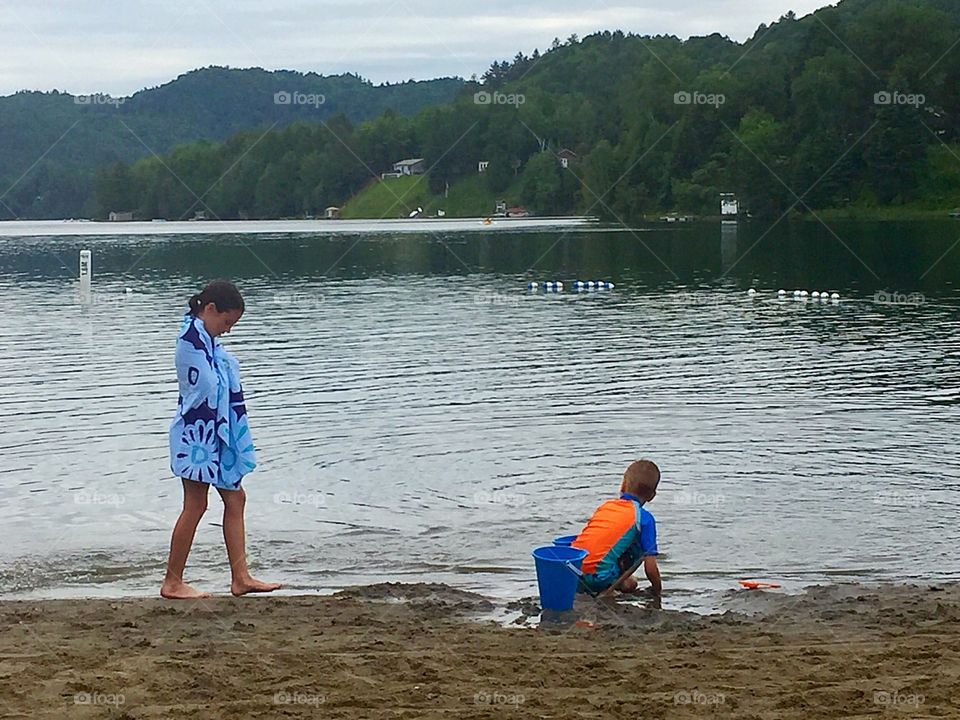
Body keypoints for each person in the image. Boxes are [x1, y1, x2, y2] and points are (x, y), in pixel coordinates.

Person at [160, 280, 281, 599]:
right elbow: (205, 388)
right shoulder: (189, 339)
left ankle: (241, 577)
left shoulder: (207, 341)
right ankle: (172, 582)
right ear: (210, 309)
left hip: (216, 434)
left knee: (235, 498)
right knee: (196, 504)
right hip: (195, 435)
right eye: (227, 323)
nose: (227, 331)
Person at [572, 459, 662, 597]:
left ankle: (616, 582)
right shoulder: (644, 518)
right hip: (599, 578)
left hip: (574, 571)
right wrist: (657, 591)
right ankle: (611, 588)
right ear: (652, 496)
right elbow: (650, 568)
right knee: (644, 547)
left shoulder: (606, 506)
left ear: (623, 485)